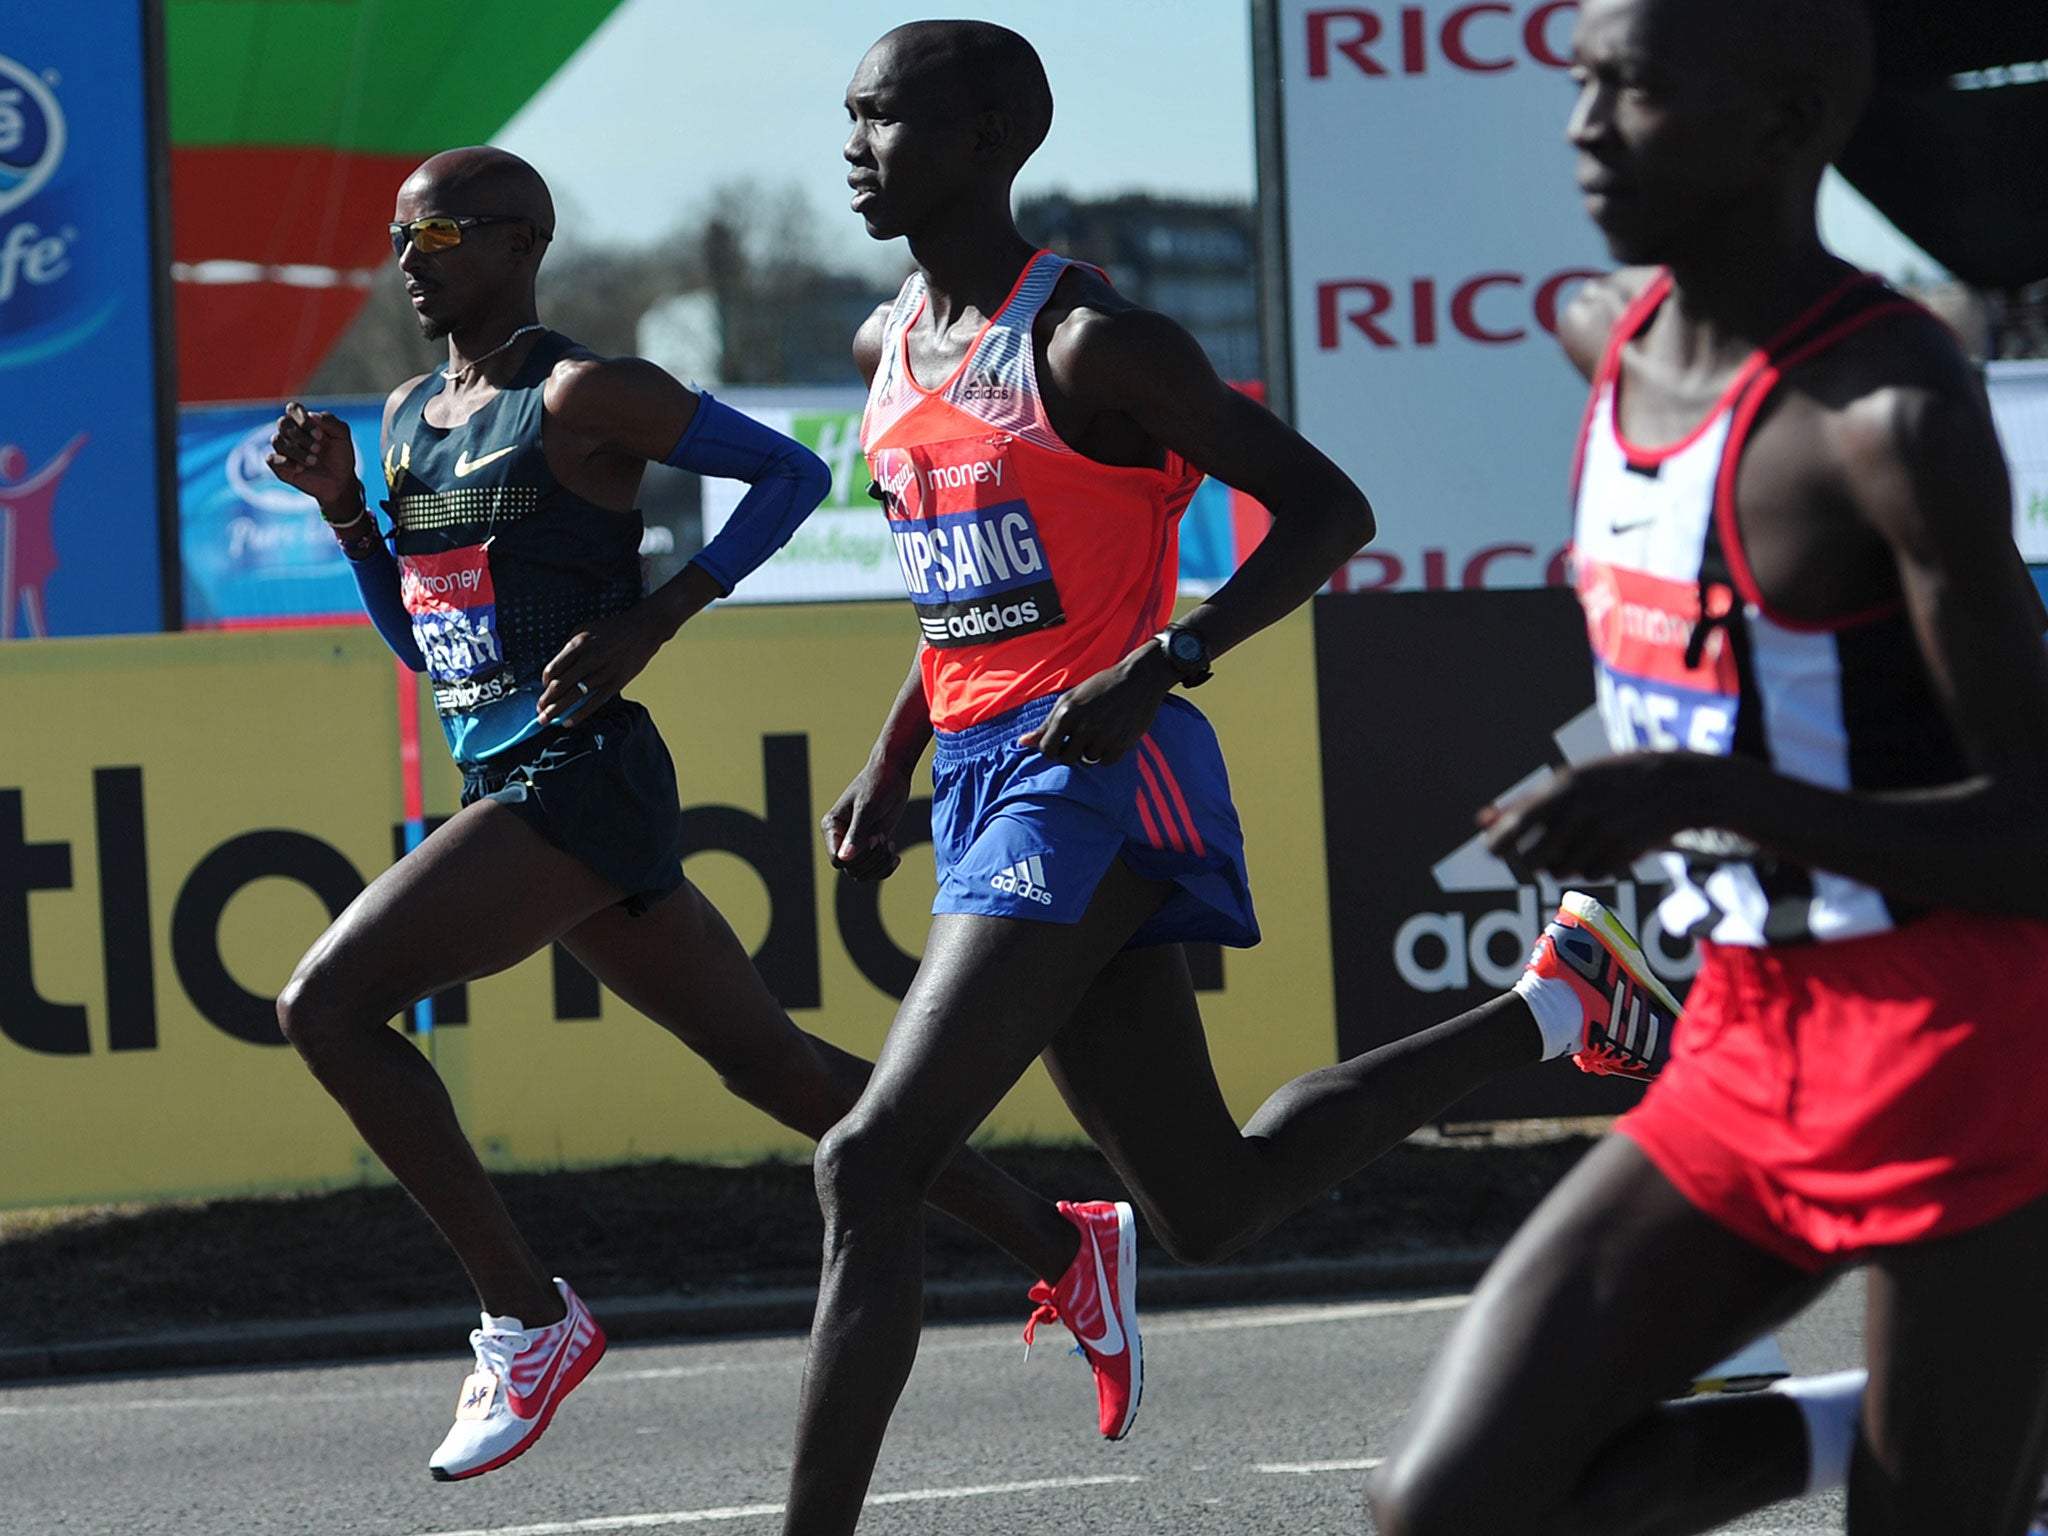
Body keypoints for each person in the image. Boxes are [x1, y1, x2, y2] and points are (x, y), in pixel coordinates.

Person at [775, 24, 1696, 1533]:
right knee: (1208, 1205)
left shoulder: (1092, 344)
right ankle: (1556, 1002)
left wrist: (1166, 662)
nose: (855, 148)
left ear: (998, 132)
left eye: (886, 119)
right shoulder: (886, 348)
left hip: (1100, 773)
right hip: (985, 776)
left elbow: (1331, 512)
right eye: (851, 117)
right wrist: (894, 761)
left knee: (872, 1160)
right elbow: (959, 605)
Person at [264, 146, 1117, 1483]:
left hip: (580, 774)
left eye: (432, 239)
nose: (406, 263)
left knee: (326, 1004)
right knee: (773, 1068)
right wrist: (349, 519)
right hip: (506, 771)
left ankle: (525, 1315)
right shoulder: (405, 415)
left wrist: (660, 613)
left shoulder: (585, 391)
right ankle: (1064, 1244)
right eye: (396, 239)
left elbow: (788, 474)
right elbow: (433, 651)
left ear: (516, 242)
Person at [1370, 0, 2048, 1532]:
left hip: (1955, 1047)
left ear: (1789, 125)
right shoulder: (1598, 333)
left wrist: (1706, 794)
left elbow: (2037, 836)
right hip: (1743, 1038)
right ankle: (1888, 1425)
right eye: (1580, 79)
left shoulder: (1891, 412)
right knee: (1446, 1507)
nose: (1583, 126)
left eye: (1638, 88)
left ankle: (1966, 1435)